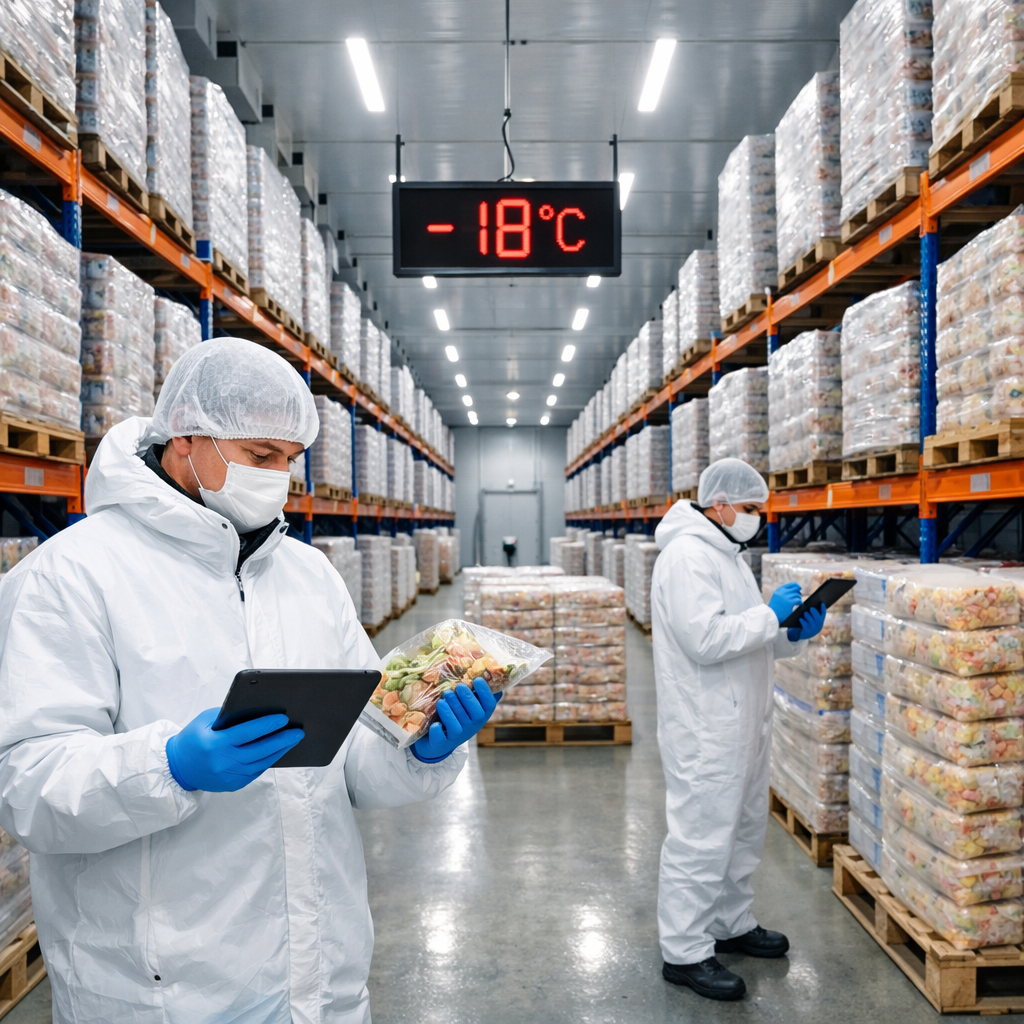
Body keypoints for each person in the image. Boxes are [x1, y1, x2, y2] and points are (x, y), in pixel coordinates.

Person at [0, 337, 498, 1024]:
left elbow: (351, 758)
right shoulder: (73, 577)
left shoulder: (307, 577)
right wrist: (168, 766)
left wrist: (415, 744)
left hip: (317, 976)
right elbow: (25, 784)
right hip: (163, 990)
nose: (279, 478)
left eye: (289, 461)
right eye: (261, 457)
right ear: (185, 439)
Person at [650, 457, 825, 1001]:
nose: (756, 519)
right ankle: (684, 951)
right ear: (719, 504)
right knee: (702, 835)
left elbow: (749, 634)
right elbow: (704, 639)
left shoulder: (729, 555)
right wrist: (769, 616)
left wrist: (791, 632)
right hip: (705, 727)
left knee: (744, 829)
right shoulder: (685, 557)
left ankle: (729, 923)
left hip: (744, 720)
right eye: (750, 509)